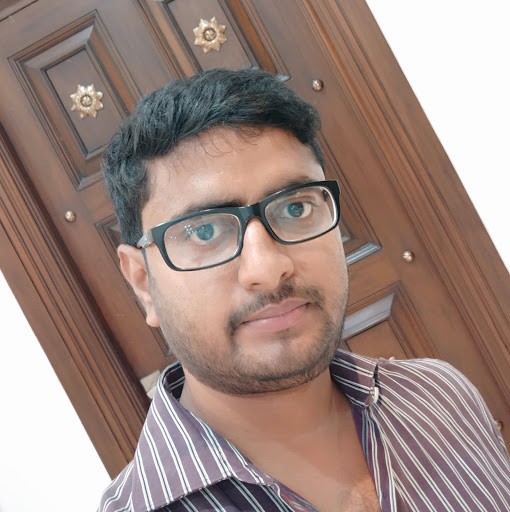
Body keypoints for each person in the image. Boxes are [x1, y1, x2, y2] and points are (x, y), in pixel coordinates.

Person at [98, 68, 510, 512]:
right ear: (143, 283)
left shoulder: (441, 397)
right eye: (204, 232)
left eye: (296, 207)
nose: (268, 268)